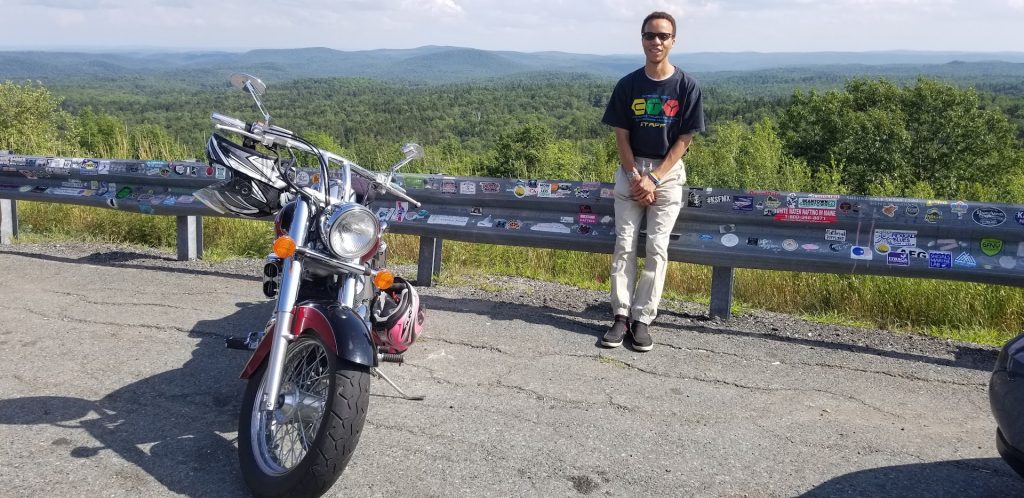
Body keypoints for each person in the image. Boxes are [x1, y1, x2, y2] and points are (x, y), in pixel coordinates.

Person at [600, 11, 705, 352]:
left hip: (667, 174)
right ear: (641, 39)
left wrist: (654, 179)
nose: (656, 41)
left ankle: (642, 319)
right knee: (625, 245)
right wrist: (635, 178)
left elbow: (684, 140)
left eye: (663, 36)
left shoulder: (687, 86)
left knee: (656, 248)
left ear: (673, 41)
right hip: (631, 172)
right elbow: (621, 137)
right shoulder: (628, 85)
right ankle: (620, 315)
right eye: (650, 35)